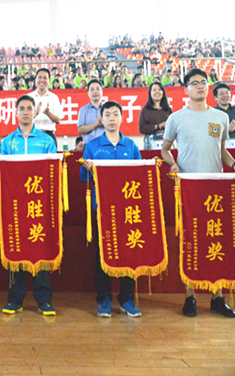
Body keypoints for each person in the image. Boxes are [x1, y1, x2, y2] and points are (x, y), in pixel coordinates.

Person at [161, 68, 235, 318]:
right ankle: (190, 296)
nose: (200, 86)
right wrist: (172, 164)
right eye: (195, 83)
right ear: (186, 89)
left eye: (204, 82)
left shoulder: (220, 117)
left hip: (215, 188)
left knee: (215, 237)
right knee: (190, 239)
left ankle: (217, 296)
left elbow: (222, 151)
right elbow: (165, 149)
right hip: (188, 187)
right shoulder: (176, 118)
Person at [80, 101, 143, 318]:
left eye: (116, 114)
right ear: (102, 119)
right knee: (102, 256)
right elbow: (83, 178)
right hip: (102, 209)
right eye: (107, 115)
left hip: (128, 211)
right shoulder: (93, 146)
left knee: (129, 253)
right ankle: (104, 298)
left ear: (122, 118)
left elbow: (140, 176)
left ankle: (126, 299)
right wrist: (86, 168)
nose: (112, 118)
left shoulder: (131, 146)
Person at [0, 95, 58, 316]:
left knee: (40, 247)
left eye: (29, 109)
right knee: (16, 247)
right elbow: (3, 174)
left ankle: (44, 299)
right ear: (16, 113)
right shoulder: (7, 142)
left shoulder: (46, 141)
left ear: (35, 112)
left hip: (39, 205)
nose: (25, 112)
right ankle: (15, 299)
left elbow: (52, 172)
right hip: (15, 206)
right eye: (21, 109)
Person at [27, 68, 63, 145]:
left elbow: (58, 120)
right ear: (35, 80)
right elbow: (25, 119)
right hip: (33, 135)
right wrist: (35, 113)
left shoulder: (54, 97)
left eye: (45, 78)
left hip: (49, 136)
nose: (42, 80)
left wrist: (49, 113)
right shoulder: (29, 97)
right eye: (39, 77)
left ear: (49, 81)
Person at [139, 82, 173, 149]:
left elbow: (173, 127)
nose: (157, 92)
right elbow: (142, 128)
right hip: (150, 144)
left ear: (163, 92)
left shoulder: (168, 110)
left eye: (159, 89)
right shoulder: (145, 110)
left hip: (166, 144)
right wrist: (158, 126)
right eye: (154, 90)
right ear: (150, 93)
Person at [78, 79, 105, 144]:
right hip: (89, 145)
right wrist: (96, 123)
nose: (95, 92)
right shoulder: (83, 110)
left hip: (105, 145)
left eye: (98, 89)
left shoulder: (107, 108)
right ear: (88, 93)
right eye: (92, 90)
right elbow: (80, 130)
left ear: (102, 92)